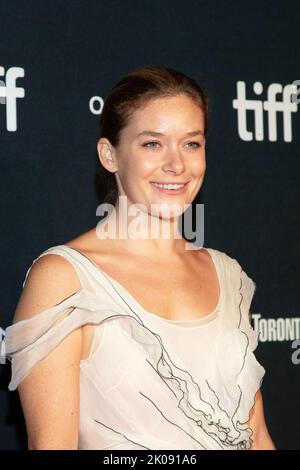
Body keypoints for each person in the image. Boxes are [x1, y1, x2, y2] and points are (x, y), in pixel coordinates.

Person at [3, 65, 275, 450]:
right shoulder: (66, 279)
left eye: (191, 143)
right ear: (109, 155)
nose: (176, 165)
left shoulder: (225, 273)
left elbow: (257, 435)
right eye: (152, 144)